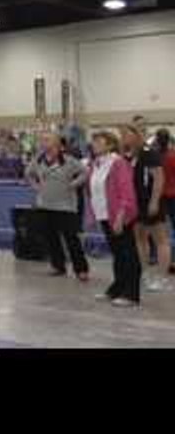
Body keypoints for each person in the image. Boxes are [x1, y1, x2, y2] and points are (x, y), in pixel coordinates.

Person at [25, 133, 90, 281]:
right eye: (43, 141)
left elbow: (85, 172)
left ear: (58, 145)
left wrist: (73, 184)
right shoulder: (38, 160)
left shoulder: (69, 161)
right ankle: (58, 266)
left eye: (48, 141)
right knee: (50, 238)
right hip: (44, 205)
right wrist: (35, 186)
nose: (45, 144)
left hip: (65, 207)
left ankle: (81, 269)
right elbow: (28, 173)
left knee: (71, 239)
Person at [86, 131, 140, 306]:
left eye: (99, 142)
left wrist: (120, 216)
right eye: (94, 141)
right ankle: (117, 288)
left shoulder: (118, 163)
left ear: (110, 145)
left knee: (128, 254)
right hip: (104, 215)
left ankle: (131, 294)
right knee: (117, 254)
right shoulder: (95, 164)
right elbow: (93, 191)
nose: (94, 144)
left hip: (119, 216)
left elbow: (127, 192)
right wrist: (92, 215)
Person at [121, 124, 169, 292]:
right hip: (136, 203)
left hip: (150, 200)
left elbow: (159, 178)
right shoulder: (128, 155)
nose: (124, 138)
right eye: (122, 135)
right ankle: (145, 273)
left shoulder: (149, 153)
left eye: (127, 134)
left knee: (160, 239)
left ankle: (163, 277)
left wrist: (154, 201)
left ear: (136, 135)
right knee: (140, 238)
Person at [158, 129, 175, 276]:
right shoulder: (172, 155)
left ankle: (168, 262)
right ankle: (171, 261)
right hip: (170, 196)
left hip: (160, 196)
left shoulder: (156, 156)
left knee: (162, 232)